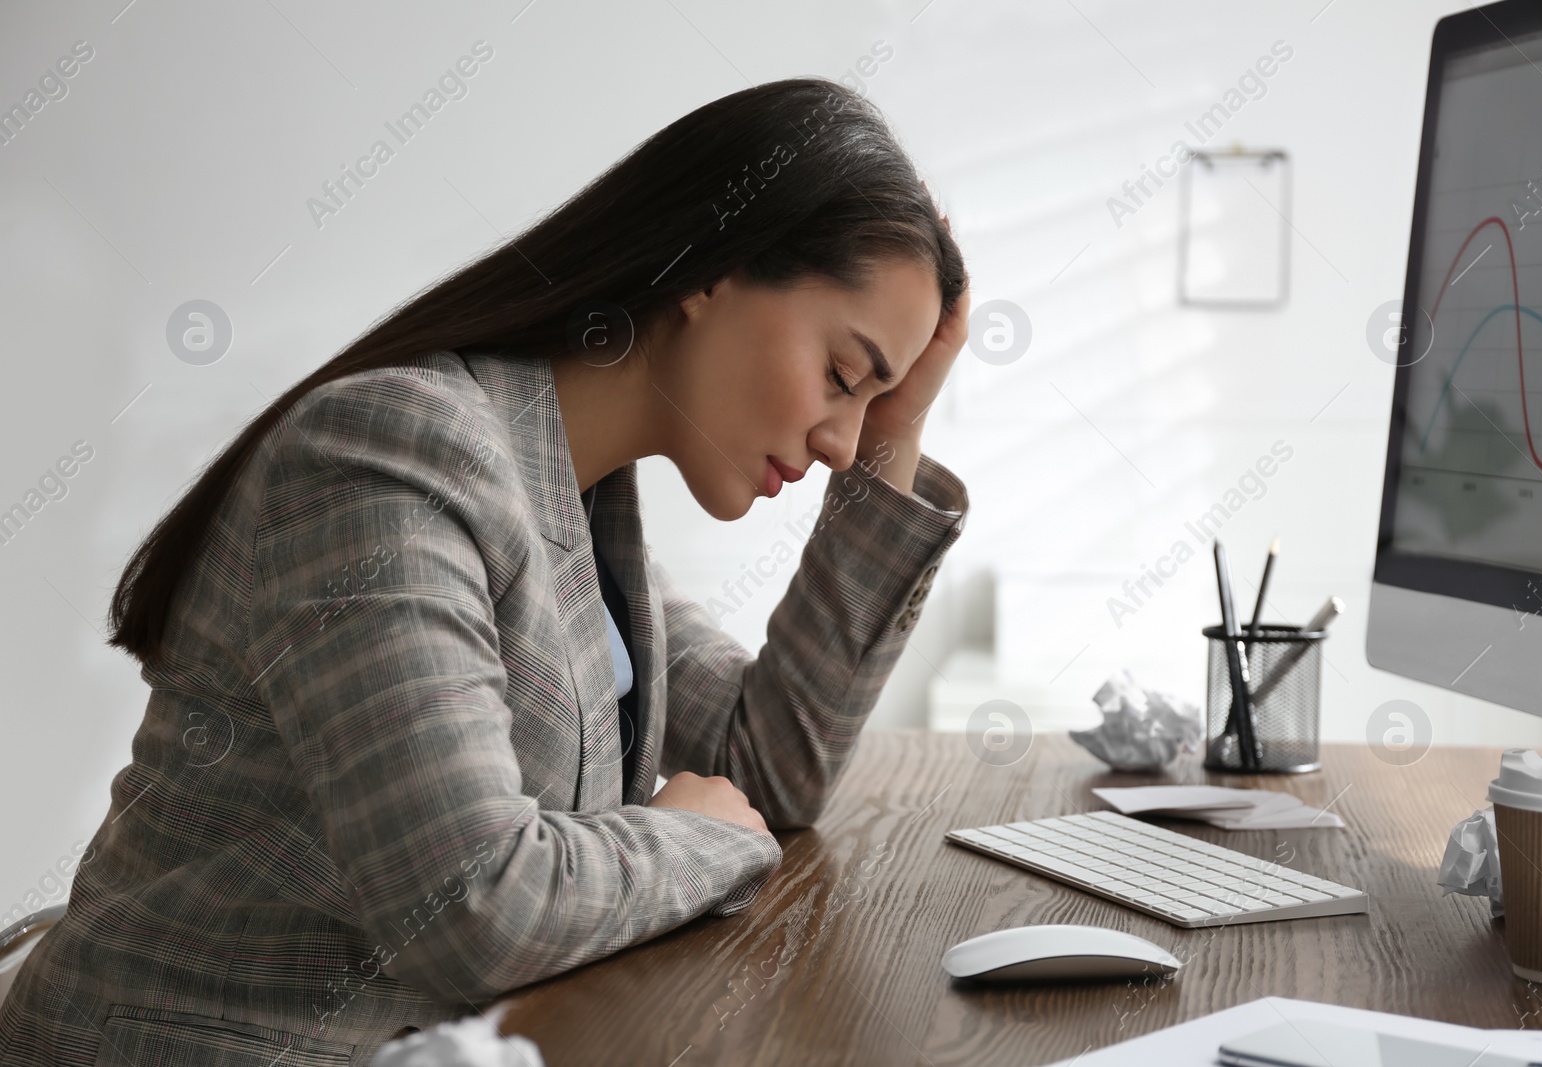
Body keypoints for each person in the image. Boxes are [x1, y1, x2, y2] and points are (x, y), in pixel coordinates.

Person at [0, 77, 970, 1065]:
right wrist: (699, 835)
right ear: (712, 270)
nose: (843, 444)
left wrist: (901, 430)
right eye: (844, 377)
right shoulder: (392, 452)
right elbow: (464, 904)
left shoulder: (581, 501)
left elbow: (769, 767)